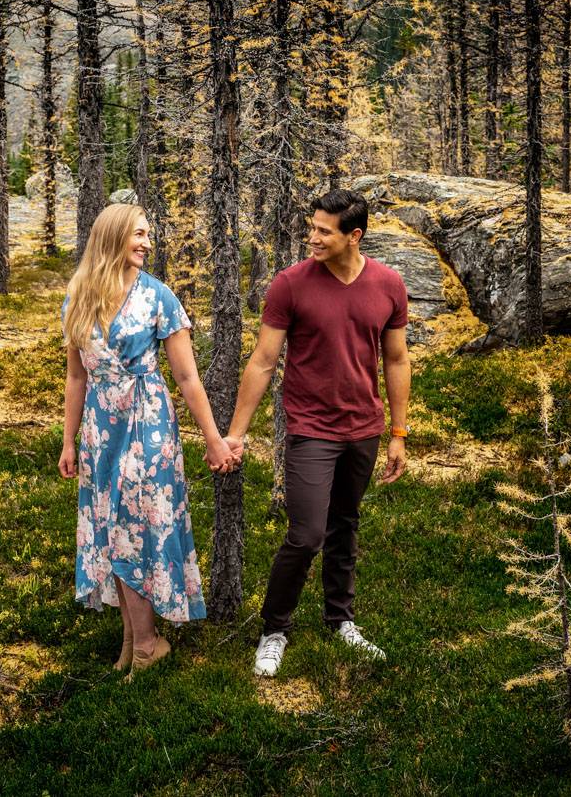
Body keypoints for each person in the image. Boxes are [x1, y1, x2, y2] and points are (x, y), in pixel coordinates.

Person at [223, 188, 410, 678]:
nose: (312, 237)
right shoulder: (290, 285)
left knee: (344, 525)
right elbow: (263, 362)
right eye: (311, 227)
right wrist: (236, 434)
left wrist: (398, 432)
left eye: (323, 231)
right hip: (310, 428)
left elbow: (396, 359)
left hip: (363, 428)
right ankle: (273, 630)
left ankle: (340, 620)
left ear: (355, 236)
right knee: (306, 534)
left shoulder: (389, 285)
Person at [59, 203, 240, 675]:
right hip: (102, 427)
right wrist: (68, 440)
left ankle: (147, 645)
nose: (146, 243)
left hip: (148, 423)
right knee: (109, 525)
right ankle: (134, 640)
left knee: (135, 527)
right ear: (113, 236)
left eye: (148, 235)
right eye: (138, 234)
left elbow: (186, 376)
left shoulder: (158, 297)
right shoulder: (78, 296)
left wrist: (214, 439)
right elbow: (76, 378)